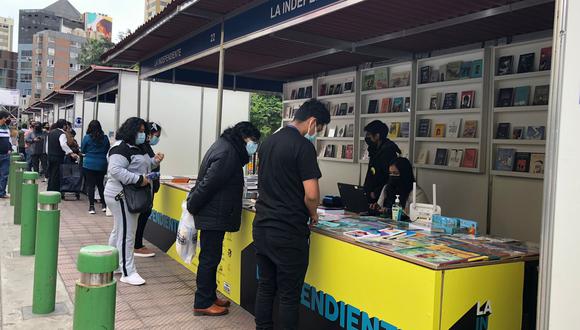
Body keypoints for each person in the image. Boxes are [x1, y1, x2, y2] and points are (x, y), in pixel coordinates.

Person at [253, 99, 330, 330]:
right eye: (321, 128)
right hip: (288, 231)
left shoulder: (268, 142)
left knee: (266, 285)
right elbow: (312, 194)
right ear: (313, 122)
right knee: (288, 295)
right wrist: (313, 213)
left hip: (263, 225)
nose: (319, 133)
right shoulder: (303, 147)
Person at [187, 121, 261, 316]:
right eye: (253, 141)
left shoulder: (225, 146)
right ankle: (203, 302)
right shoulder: (228, 153)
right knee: (209, 259)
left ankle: (209, 296)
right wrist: (192, 204)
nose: (254, 146)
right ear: (244, 138)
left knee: (211, 258)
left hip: (214, 213)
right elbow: (208, 184)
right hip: (214, 214)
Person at [105, 117, 163, 286]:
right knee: (127, 233)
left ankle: (113, 263)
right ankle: (127, 272)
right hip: (121, 194)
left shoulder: (138, 147)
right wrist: (138, 180)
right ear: (131, 130)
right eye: (141, 131)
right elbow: (115, 170)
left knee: (119, 231)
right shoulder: (120, 148)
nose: (143, 134)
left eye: (144, 131)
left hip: (128, 193)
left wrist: (154, 162)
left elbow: (141, 166)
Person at [134, 122, 163, 258]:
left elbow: (151, 164)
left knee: (144, 214)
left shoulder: (146, 147)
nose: (156, 139)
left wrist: (156, 162)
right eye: (156, 136)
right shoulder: (141, 147)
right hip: (143, 186)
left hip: (149, 186)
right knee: (142, 215)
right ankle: (137, 245)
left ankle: (137, 243)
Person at [363, 120, 401, 205]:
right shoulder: (375, 150)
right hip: (370, 194)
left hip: (380, 197)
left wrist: (376, 192)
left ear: (377, 136)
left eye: (369, 134)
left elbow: (389, 177)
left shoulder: (388, 152)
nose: (367, 137)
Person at [81, 120, 110, 214]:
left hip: (89, 164)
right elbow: (107, 149)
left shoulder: (87, 138)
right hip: (102, 164)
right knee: (101, 185)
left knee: (91, 186)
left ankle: (92, 207)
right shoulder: (105, 138)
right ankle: (104, 205)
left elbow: (83, 149)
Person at [47, 119, 79, 192]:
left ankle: (49, 189)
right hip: (58, 156)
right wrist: (71, 153)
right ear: (64, 126)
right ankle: (54, 191)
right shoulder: (62, 134)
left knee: (51, 174)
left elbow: (47, 145)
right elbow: (63, 144)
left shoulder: (51, 132)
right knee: (56, 175)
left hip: (50, 156)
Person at [0, 111, 13, 199]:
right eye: (7, 118)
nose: (8, 119)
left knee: (4, 174)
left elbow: (9, 141)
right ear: (3, 118)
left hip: (5, 155)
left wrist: (10, 149)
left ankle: (2, 192)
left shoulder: (7, 128)